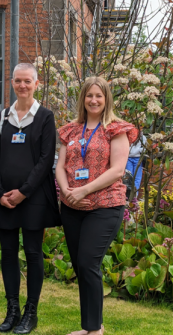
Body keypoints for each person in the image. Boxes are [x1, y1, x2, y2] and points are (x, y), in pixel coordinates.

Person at [55, 77, 138, 335]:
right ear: (83, 99)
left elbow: (117, 171)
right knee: (81, 266)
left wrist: (83, 190)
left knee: (88, 262)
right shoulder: (69, 130)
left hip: (104, 206)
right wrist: (66, 191)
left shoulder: (117, 129)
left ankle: (95, 330)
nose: (93, 100)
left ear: (106, 99)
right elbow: (59, 166)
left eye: (99, 96)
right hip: (72, 206)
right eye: (89, 95)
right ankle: (91, 327)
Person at [0, 63, 61, 334]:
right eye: (18, 81)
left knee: (32, 253)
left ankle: (31, 312)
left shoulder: (45, 117)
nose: (23, 85)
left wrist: (23, 192)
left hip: (33, 198)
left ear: (36, 83)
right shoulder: (3, 117)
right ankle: (12, 310)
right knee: (7, 255)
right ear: (12, 83)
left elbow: (45, 160)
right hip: (4, 198)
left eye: (28, 81)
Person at [126, 131, 146, 196]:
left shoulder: (143, 138)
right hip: (128, 158)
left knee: (137, 177)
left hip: (138, 158)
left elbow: (145, 149)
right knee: (129, 176)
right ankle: (128, 195)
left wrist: (139, 150)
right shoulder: (128, 136)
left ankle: (135, 195)